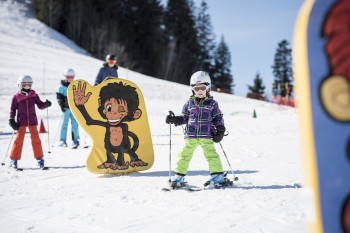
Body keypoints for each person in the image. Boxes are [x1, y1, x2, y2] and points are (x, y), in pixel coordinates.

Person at [165, 71, 231, 189]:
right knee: (184, 154)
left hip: (207, 135)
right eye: (196, 88)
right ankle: (179, 176)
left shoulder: (212, 104)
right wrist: (174, 120)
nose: (199, 91)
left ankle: (218, 176)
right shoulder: (189, 104)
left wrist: (220, 129)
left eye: (202, 88)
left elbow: (218, 118)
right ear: (192, 89)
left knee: (211, 155)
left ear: (208, 88)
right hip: (191, 135)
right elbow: (185, 118)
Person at [9, 75, 52, 169]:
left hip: (32, 121)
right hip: (21, 122)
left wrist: (45, 104)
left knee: (36, 139)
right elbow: (13, 109)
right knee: (19, 140)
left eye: (29, 84)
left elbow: (40, 105)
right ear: (20, 85)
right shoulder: (16, 97)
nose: (27, 86)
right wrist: (11, 120)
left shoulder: (34, 95)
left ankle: (39, 158)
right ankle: (13, 160)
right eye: (25, 85)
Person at [56, 68, 80, 148]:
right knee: (64, 124)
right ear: (65, 77)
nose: (70, 79)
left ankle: (75, 140)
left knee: (75, 124)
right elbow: (59, 97)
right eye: (68, 77)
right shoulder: (62, 86)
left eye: (71, 77)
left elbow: (78, 96)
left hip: (74, 109)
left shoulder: (75, 86)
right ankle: (63, 140)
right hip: (66, 108)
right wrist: (62, 105)